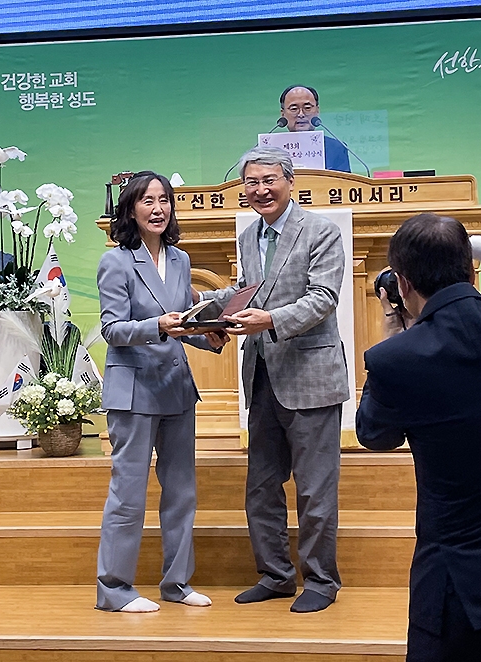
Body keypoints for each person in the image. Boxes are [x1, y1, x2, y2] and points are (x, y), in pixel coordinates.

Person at [197, 146, 349, 613]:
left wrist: (270, 321)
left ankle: (321, 581)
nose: (259, 190)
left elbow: (324, 298)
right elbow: (250, 289)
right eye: (251, 182)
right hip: (262, 376)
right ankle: (276, 575)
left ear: (289, 182)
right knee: (261, 486)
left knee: (314, 488)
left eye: (268, 180)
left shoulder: (320, 230)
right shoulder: (248, 234)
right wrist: (207, 311)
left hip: (311, 375)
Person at [96, 170, 228, 613]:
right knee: (128, 495)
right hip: (133, 392)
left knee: (182, 492)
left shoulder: (181, 259)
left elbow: (182, 322)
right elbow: (112, 330)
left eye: (165, 200)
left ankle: (176, 584)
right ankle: (115, 590)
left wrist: (205, 334)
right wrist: (158, 325)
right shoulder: (116, 261)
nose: (158, 208)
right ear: (130, 209)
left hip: (175, 389)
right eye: (148, 201)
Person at [356, 213, 481, 661]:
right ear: (470, 269)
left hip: (452, 575)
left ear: (403, 284)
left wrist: (393, 335)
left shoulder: (398, 359)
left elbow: (374, 434)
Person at [279, 85, 351, 173]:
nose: (301, 114)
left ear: (317, 111)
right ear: (283, 114)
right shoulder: (267, 149)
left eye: (307, 108)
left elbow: (345, 184)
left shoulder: (336, 148)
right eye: (294, 109)